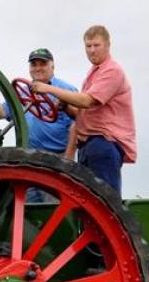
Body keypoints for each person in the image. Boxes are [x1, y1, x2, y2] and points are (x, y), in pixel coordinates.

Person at [31, 25, 136, 195]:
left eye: (96, 45)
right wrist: (66, 107)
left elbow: (87, 101)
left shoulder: (112, 71)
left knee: (106, 202)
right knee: (89, 202)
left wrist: (48, 89)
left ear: (108, 45)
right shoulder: (94, 73)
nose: (92, 50)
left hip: (104, 143)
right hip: (88, 145)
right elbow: (84, 114)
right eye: (88, 46)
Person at [0, 47, 77, 202]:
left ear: (52, 66)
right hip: (28, 160)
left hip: (56, 161)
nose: (38, 68)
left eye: (43, 63)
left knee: (53, 209)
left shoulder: (66, 90)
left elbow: (77, 124)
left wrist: (68, 161)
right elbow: (1, 111)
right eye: (34, 64)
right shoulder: (22, 91)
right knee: (27, 212)